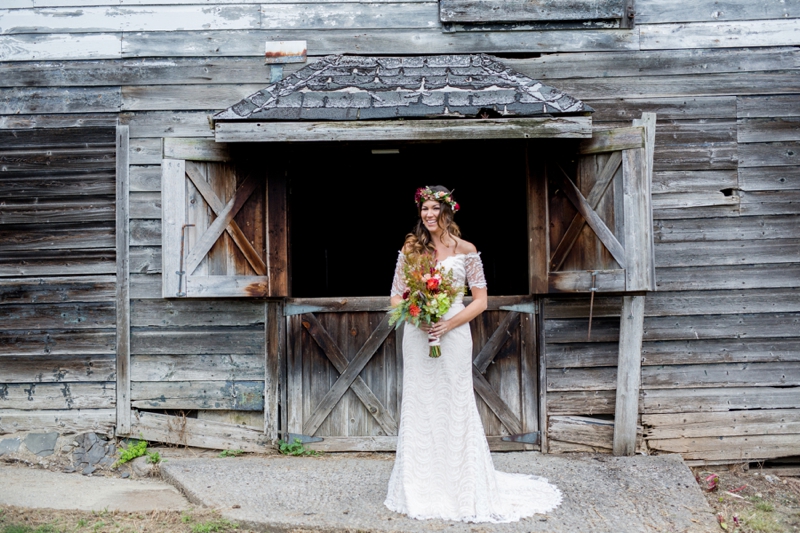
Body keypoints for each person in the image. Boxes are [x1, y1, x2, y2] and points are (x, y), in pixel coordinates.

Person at [384, 185, 562, 523]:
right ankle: (419, 485)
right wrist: (418, 317)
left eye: (435, 209)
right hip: (418, 333)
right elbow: (395, 296)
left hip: (453, 333)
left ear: (448, 212)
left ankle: (460, 486)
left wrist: (447, 324)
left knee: (454, 401)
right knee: (420, 402)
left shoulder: (467, 250)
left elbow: (480, 301)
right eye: (424, 209)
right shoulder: (411, 249)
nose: (429, 215)